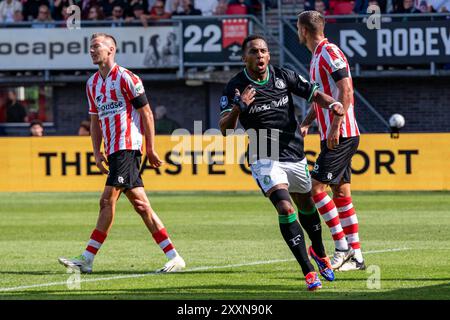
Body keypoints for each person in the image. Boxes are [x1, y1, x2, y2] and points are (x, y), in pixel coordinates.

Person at [219, 34, 347, 291]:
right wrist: (239, 107)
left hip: (294, 153)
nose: (260, 56)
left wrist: (333, 103)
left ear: (269, 55)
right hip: (263, 156)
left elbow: (314, 94)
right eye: (254, 52)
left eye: (263, 51)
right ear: (245, 58)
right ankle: (309, 272)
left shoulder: (283, 76)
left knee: (306, 205)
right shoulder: (235, 87)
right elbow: (225, 128)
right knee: (286, 209)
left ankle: (319, 253)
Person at [58, 33, 185, 274]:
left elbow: (147, 113)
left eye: (96, 46)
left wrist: (150, 147)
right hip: (114, 150)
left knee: (106, 200)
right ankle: (174, 256)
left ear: (111, 50)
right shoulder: (92, 83)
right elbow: (94, 121)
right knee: (141, 205)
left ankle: (87, 258)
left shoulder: (127, 78)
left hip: (128, 147)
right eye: (90, 47)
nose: (92, 51)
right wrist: (96, 151)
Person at [297, 11, 365, 271]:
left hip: (342, 133)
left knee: (315, 190)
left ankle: (342, 248)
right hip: (332, 134)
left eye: (298, 28)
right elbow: (325, 97)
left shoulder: (329, 52)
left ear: (304, 30)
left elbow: (346, 90)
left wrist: (336, 126)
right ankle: (357, 256)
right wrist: (306, 122)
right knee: (341, 192)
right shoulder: (316, 57)